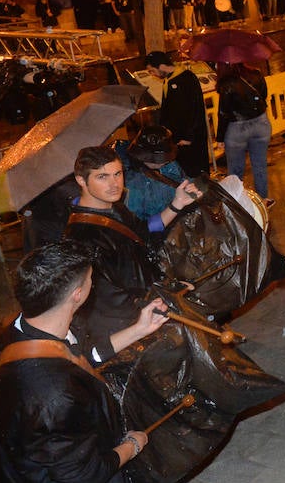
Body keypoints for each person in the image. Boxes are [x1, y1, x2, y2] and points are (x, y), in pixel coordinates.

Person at [0, 240, 166, 483]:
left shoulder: (25, 329)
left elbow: (78, 356)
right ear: (78, 294)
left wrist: (139, 329)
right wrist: (133, 445)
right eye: (90, 279)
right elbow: (85, 476)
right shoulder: (54, 396)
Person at [64, 146, 198, 355]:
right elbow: (113, 297)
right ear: (81, 180)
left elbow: (142, 233)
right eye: (102, 177)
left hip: (148, 299)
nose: (114, 184)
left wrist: (177, 204)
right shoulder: (82, 237)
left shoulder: (111, 206)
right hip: (127, 328)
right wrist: (169, 291)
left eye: (118, 174)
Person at [146, 51, 209, 177]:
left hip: (188, 139)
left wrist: (188, 137)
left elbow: (195, 110)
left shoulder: (187, 78)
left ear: (162, 66)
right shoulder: (169, 79)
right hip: (177, 138)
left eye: (152, 70)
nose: (152, 74)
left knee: (194, 173)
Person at [216, 61, 271, 199]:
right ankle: (263, 200)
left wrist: (220, 138)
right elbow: (263, 95)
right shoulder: (256, 74)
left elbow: (224, 113)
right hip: (261, 123)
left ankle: (237, 203)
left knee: (235, 170)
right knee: (260, 166)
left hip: (238, 128)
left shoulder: (226, 83)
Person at [118, 125, 187, 225]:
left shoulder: (170, 165)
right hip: (156, 229)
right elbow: (140, 226)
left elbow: (181, 179)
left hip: (177, 221)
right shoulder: (132, 182)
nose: (162, 162)